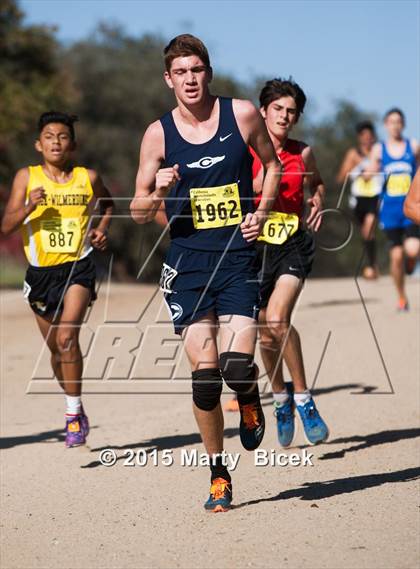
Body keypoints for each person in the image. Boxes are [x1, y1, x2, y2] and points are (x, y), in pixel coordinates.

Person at [130, 34, 281, 512]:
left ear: (208, 73)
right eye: (181, 72)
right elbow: (136, 212)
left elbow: (273, 166)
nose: (190, 79)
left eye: (197, 70)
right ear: (168, 79)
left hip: (237, 256)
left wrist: (262, 210)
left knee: (237, 368)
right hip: (188, 262)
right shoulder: (158, 134)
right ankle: (218, 472)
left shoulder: (241, 115)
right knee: (205, 379)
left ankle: (250, 395)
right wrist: (156, 189)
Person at [1, 111, 114, 447]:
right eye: (49, 136)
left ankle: (73, 413)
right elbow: (6, 225)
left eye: (63, 136)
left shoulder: (87, 177)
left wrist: (100, 232)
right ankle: (71, 399)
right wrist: (29, 207)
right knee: (55, 351)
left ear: (73, 144)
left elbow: (107, 205)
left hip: (78, 267)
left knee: (67, 339)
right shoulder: (27, 177)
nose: (56, 142)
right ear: (39, 144)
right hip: (40, 275)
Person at [252, 78, 329, 447]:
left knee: (278, 319)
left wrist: (316, 200)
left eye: (291, 111)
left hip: (291, 243)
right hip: (252, 249)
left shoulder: (303, 152)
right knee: (264, 332)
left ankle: (303, 398)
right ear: (263, 111)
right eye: (278, 109)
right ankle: (280, 398)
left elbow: (318, 183)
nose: (285, 116)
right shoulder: (243, 150)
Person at [370, 108, 420, 310]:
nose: (395, 125)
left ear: (403, 124)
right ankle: (401, 296)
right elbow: (372, 175)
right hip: (389, 210)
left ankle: (412, 264)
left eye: (399, 121)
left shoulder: (414, 146)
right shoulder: (379, 150)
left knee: (413, 249)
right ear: (386, 125)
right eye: (391, 122)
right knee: (396, 255)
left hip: (411, 206)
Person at [337, 121, 383, 279]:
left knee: (369, 227)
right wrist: (357, 169)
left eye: (370, 137)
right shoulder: (353, 154)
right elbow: (341, 177)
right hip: (358, 199)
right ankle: (372, 264)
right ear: (359, 138)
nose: (367, 140)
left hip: (376, 196)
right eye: (364, 137)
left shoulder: (379, 153)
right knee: (365, 232)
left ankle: (371, 266)